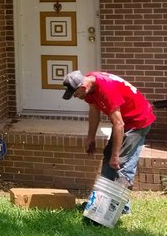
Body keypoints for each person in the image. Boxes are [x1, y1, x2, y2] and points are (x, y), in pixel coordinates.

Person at [62, 71, 155, 204]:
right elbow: (94, 110)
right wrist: (90, 137)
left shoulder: (106, 89)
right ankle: (100, 203)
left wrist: (116, 156)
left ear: (82, 87)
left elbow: (119, 124)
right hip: (124, 121)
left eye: (76, 94)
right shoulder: (89, 85)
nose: (76, 97)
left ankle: (119, 209)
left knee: (121, 164)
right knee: (108, 156)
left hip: (137, 120)